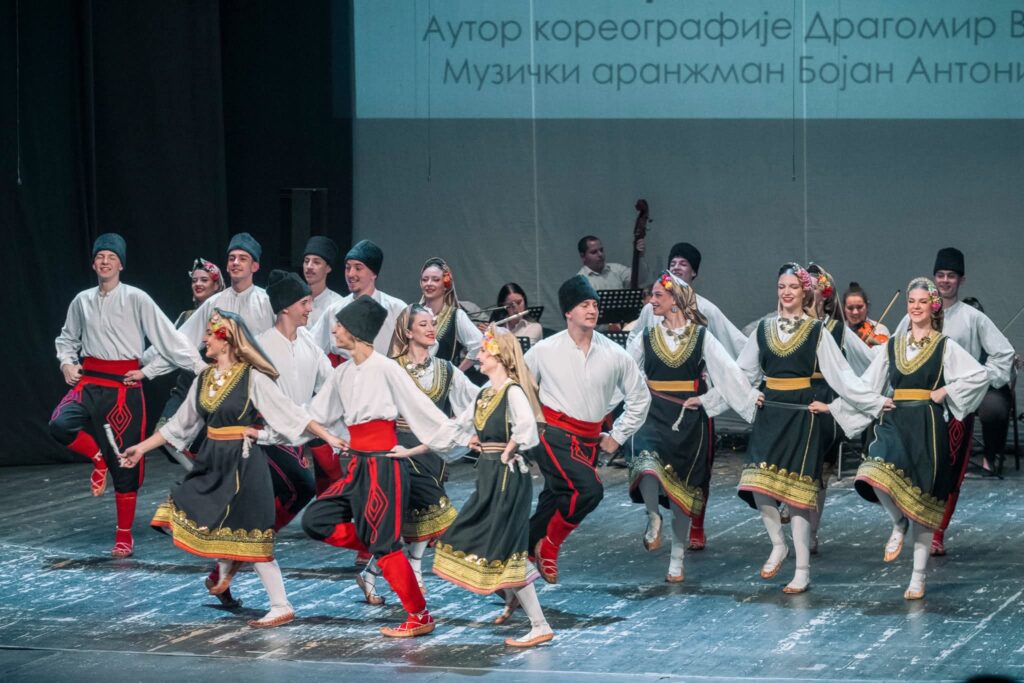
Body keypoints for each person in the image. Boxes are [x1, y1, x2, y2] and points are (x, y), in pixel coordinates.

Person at [121, 309, 341, 627]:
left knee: (252, 532)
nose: (204, 339)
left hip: (244, 464)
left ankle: (280, 604)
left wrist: (328, 436)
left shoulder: (253, 378)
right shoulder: (204, 379)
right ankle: (225, 568)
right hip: (213, 463)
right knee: (203, 513)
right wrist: (141, 448)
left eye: (210, 334)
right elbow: (178, 426)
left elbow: (291, 415)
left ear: (226, 340)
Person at [301, 296, 462, 638]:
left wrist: (451, 438)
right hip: (357, 465)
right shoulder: (342, 373)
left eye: (340, 326)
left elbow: (422, 411)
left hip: (384, 464)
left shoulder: (387, 369)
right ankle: (379, 543)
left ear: (356, 331)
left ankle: (419, 614)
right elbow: (316, 415)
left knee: (385, 544)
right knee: (316, 520)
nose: (334, 331)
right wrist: (305, 430)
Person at [50, 233, 204, 558]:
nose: (105, 262)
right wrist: (67, 363)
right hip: (90, 380)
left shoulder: (136, 298)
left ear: (121, 264)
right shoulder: (82, 300)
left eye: (111, 257)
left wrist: (200, 369)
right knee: (60, 424)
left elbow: (168, 338)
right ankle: (97, 458)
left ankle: (124, 535)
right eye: (100, 257)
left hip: (123, 387)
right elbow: (67, 339)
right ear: (93, 263)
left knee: (125, 460)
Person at [734, 263, 885, 594]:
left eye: (792, 287)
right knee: (756, 483)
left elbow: (842, 376)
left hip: (802, 413)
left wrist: (874, 401)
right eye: (781, 287)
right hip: (771, 411)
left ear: (805, 292)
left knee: (799, 496)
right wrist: (747, 393)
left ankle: (802, 569)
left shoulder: (817, 331)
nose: (786, 292)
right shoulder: (764, 329)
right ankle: (778, 544)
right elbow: (741, 371)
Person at [843, 278, 987, 599]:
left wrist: (946, 390)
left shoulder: (944, 345)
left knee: (923, 501)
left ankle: (918, 577)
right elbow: (868, 382)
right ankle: (898, 522)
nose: (916, 307)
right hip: (896, 420)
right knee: (871, 471)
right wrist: (872, 401)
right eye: (911, 301)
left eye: (922, 301)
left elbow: (978, 375)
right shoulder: (894, 344)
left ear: (933, 306)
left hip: (927, 424)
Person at [417, 326, 555, 648]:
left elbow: (527, 428)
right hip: (490, 476)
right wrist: (414, 448)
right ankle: (521, 604)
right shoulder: (484, 394)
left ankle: (539, 624)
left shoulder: (512, 391)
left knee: (505, 548)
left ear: (498, 356)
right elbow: (455, 427)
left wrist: (509, 449)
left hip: (507, 477)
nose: (478, 355)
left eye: (483, 351)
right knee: (491, 544)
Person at [626, 272, 761, 582]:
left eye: (658, 295)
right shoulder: (646, 336)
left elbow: (729, 373)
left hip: (686, 419)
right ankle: (652, 514)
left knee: (682, 493)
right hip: (653, 412)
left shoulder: (701, 337)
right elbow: (625, 371)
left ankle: (676, 558)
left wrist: (710, 399)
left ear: (675, 300)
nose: (651, 301)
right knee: (645, 462)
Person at [525, 275, 651, 584]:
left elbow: (640, 397)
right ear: (568, 311)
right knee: (589, 491)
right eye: (584, 305)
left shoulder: (614, 353)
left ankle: (521, 555)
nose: (592, 310)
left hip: (589, 439)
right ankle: (550, 545)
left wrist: (617, 436)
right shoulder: (544, 350)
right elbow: (517, 386)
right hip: (551, 433)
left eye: (594, 304)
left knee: (556, 497)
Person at [892, 248, 1015, 555]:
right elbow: (893, 351)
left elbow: (1004, 354)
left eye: (951, 276)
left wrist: (977, 380)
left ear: (961, 280)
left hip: (955, 406)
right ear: (934, 278)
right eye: (941, 275)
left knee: (949, 471)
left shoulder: (973, 318)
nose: (945, 281)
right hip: (918, 405)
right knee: (915, 468)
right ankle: (913, 524)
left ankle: (937, 533)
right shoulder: (913, 315)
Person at [350, 304, 477, 600]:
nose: (431, 329)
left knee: (417, 515)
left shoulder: (446, 369)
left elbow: (474, 399)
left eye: (432, 324)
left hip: (432, 450)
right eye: (423, 324)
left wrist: (477, 423)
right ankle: (416, 576)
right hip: (399, 446)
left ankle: (370, 574)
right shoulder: (390, 367)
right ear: (407, 333)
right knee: (434, 509)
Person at [143, 233, 275, 378]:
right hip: (221, 380)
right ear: (227, 266)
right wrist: (145, 366)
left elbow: (281, 344)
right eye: (232, 258)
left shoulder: (267, 301)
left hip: (257, 378)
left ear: (254, 266)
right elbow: (181, 341)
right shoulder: (214, 302)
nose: (235, 262)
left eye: (243, 259)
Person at [309, 239, 406, 365]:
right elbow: (311, 347)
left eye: (358, 268)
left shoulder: (396, 308)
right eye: (347, 268)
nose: (351, 274)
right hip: (346, 373)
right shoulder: (335, 310)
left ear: (374, 274)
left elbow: (416, 348)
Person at [418, 257, 481, 370]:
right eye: (425, 279)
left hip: (442, 380)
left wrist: (457, 372)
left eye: (435, 280)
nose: (429, 283)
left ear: (445, 284)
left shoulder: (456, 316)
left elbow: (479, 344)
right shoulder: (412, 313)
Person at [302, 236, 344, 325]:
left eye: (316, 262)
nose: (309, 266)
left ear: (328, 268)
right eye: (306, 261)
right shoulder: (292, 301)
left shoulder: (338, 304)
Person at [576, 234, 642, 291]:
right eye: (594, 252)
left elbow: (641, 279)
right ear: (583, 256)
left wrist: (640, 256)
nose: (600, 254)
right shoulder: (580, 281)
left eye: (601, 250)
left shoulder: (618, 269)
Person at [843, 282, 890, 347]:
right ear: (844, 308)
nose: (855, 312)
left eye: (859, 307)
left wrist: (875, 344)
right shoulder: (839, 330)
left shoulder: (880, 330)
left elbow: (886, 352)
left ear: (867, 306)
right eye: (850, 308)